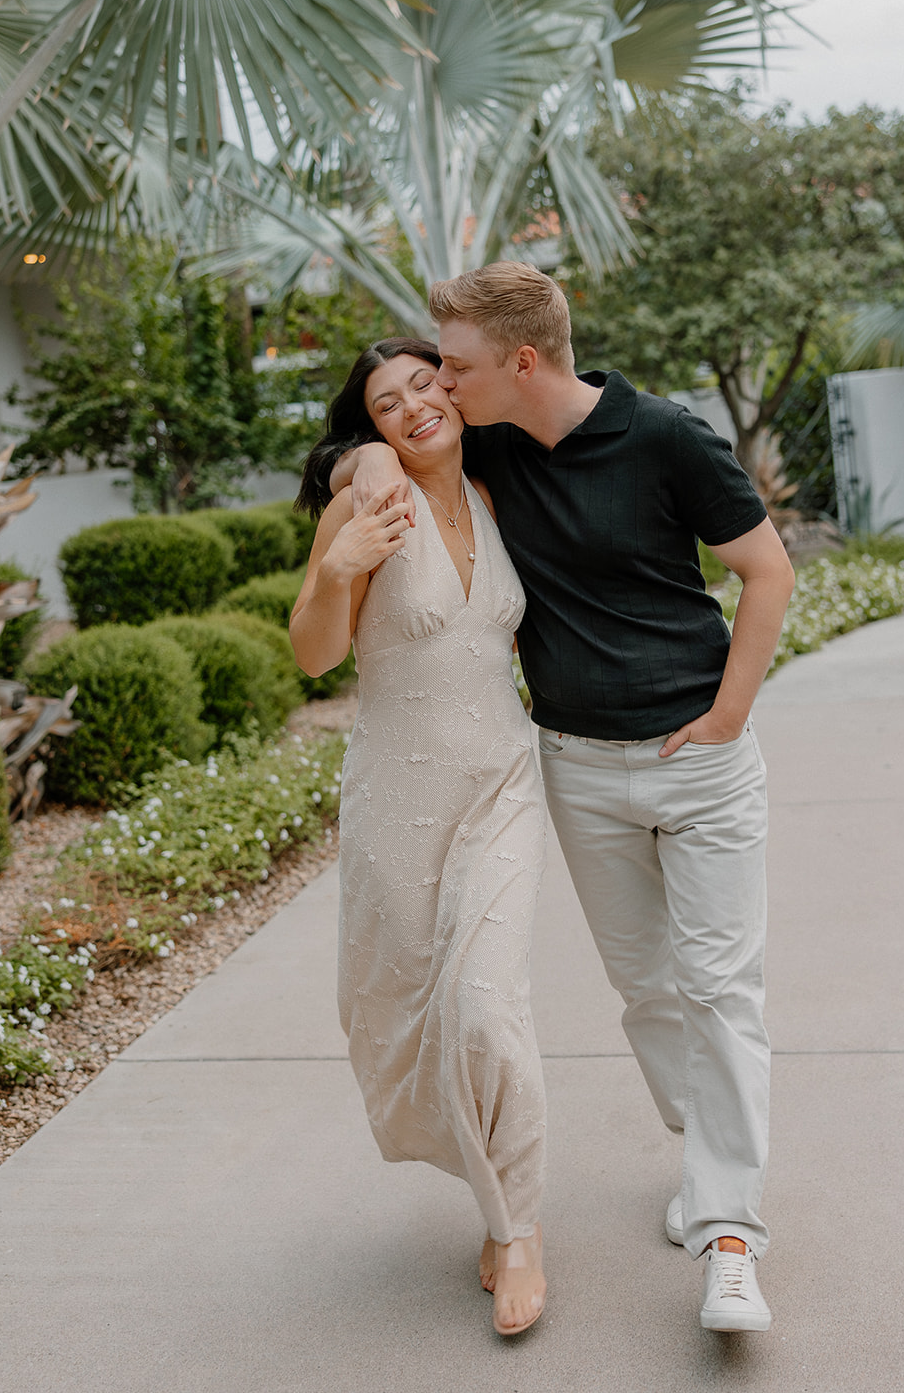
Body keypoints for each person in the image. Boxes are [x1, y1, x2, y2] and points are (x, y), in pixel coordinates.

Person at [335, 263, 796, 1340]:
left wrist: (726, 716)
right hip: (579, 767)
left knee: (721, 984)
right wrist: (365, 461)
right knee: (647, 991)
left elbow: (765, 573)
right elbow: (371, 446)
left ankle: (729, 1231)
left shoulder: (667, 439)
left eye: (452, 365)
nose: (438, 387)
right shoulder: (488, 443)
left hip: (700, 758)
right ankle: (711, 1141)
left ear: (521, 362)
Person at [290, 337, 548, 1337]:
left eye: (422, 384)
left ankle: (518, 1228)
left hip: (502, 784)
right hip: (399, 801)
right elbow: (313, 654)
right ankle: (492, 1194)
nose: (409, 406)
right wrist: (337, 568)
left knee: (487, 1009)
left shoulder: (496, 486)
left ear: (451, 388)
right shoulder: (364, 497)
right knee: (410, 1012)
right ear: (371, 427)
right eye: (384, 403)